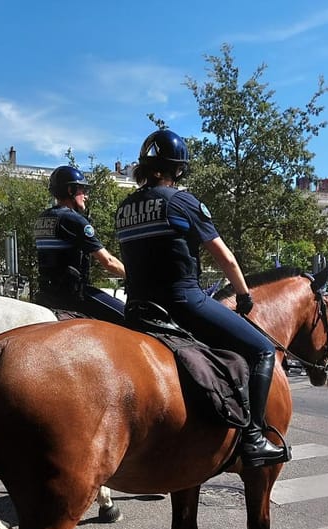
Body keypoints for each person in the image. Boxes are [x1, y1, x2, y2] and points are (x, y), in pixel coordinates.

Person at [115, 129, 284, 467]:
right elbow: (226, 258)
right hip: (183, 304)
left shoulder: (125, 208)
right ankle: (252, 437)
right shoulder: (182, 201)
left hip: (137, 309)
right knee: (263, 349)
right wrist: (243, 296)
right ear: (177, 169)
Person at [33, 166, 126, 324]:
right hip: (73, 295)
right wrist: (132, 277)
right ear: (70, 190)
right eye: (83, 191)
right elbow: (108, 262)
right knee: (130, 317)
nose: (86, 196)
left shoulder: (42, 219)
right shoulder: (73, 219)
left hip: (46, 294)